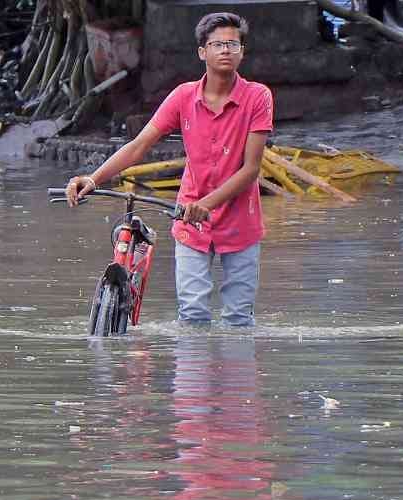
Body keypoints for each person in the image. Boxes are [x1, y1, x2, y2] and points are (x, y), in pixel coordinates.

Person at [65, 12, 272, 327]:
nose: (226, 50)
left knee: (239, 320)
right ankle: (193, 376)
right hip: (189, 221)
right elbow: (138, 146)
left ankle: (236, 376)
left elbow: (250, 169)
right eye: (218, 44)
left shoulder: (258, 96)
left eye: (233, 43)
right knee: (192, 316)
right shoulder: (183, 96)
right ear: (202, 52)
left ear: (242, 51)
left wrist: (207, 204)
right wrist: (93, 179)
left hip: (241, 221)